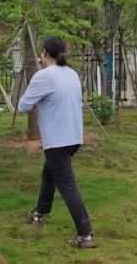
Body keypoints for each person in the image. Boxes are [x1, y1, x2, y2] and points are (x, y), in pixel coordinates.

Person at [17, 36, 96, 249]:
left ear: (44, 52)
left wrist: (38, 98)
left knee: (67, 185)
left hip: (57, 140)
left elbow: (23, 106)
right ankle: (39, 213)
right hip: (74, 138)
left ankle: (85, 235)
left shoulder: (44, 76)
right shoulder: (72, 74)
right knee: (49, 173)